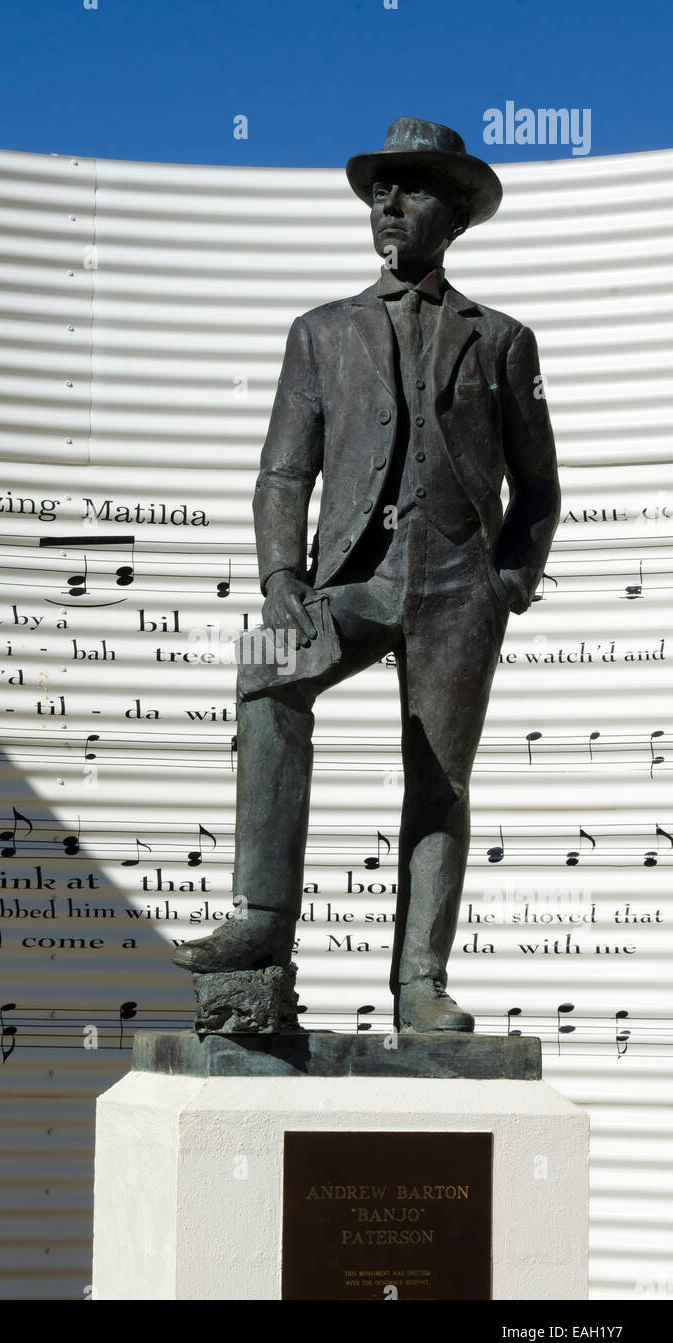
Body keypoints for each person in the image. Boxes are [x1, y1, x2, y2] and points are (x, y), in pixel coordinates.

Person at [173, 117, 559, 1033]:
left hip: (460, 587)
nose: (389, 203)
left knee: (439, 780)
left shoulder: (501, 340)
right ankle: (259, 923)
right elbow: (281, 473)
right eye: (380, 188)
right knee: (267, 671)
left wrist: (509, 581)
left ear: (456, 214)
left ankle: (419, 984)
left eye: (414, 187)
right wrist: (279, 579)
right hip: (350, 578)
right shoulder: (320, 332)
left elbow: (538, 487)